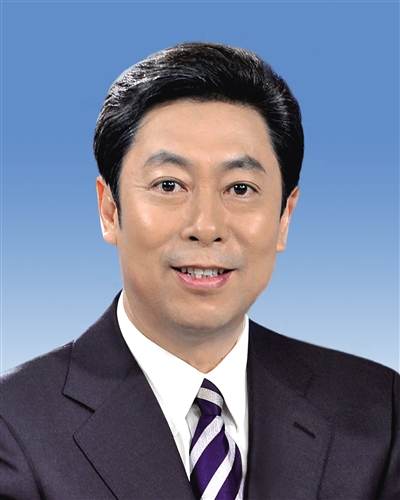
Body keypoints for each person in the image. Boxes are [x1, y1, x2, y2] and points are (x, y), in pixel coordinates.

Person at [0, 42, 398, 500]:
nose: (206, 227)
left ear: (284, 218)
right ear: (110, 210)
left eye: (240, 188)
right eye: (169, 185)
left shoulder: (377, 410)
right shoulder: (14, 424)